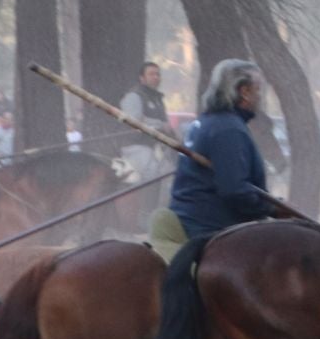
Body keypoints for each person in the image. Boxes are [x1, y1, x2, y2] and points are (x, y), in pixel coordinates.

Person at [168, 59, 294, 240]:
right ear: (244, 92)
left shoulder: (207, 121)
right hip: (210, 226)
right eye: (258, 89)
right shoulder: (228, 129)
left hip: (195, 218)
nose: (260, 96)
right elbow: (234, 190)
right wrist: (273, 209)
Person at [119, 61, 172, 182]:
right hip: (135, 146)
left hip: (155, 147)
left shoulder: (158, 99)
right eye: (151, 74)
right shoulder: (133, 96)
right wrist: (161, 125)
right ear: (142, 78)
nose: (156, 77)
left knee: (170, 173)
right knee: (152, 172)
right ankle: (147, 201)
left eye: (158, 74)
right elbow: (133, 121)